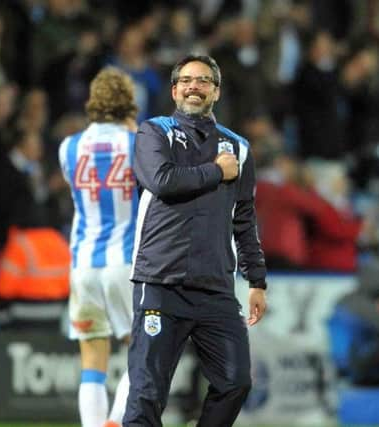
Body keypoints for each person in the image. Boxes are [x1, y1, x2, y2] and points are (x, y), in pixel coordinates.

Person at [124, 54, 268, 427]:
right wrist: (216, 171)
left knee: (236, 382)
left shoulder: (239, 147)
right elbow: (162, 181)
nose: (194, 86)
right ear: (174, 90)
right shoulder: (153, 132)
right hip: (160, 280)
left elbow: (245, 217)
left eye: (203, 80)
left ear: (216, 92)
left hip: (215, 286)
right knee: (147, 393)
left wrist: (256, 280)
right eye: (186, 80)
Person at [59, 67, 139, 427]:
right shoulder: (137, 144)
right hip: (126, 262)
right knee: (142, 352)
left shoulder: (69, 147)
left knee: (92, 362)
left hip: (83, 266)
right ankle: (118, 420)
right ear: (128, 105)